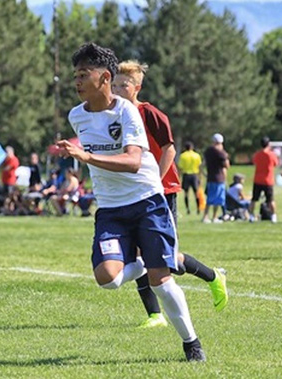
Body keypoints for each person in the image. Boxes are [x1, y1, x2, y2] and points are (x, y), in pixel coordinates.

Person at [57, 42, 206, 361]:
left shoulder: (126, 112)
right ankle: (145, 262)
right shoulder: (76, 116)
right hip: (111, 209)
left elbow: (134, 161)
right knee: (107, 279)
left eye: (84, 74)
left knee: (162, 283)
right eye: (75, 75)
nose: (77, 81)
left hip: (147, 201)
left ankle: (191, 343)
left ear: (105, 77)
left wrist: (86, 156)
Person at [112, 60, 228, 329]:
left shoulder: (150, 113)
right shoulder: (115, 115)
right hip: (133, 193)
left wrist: (155, 180)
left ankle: (213, 277)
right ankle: (155, 315)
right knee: (138, 255)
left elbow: (169, 149)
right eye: (115, 84)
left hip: (162, 191)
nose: (118, 89)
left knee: (166, 258)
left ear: (137, 87)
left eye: (124, 85)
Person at [248, 136, 279, 223]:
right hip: (268, 180)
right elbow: (276, 163)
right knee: (270, 200)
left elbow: (254, 162)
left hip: (257, 179)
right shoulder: (271, 154)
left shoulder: (257, 154)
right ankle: (273, 216)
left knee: (254, 199)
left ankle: (251, 216)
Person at [202, 133, 230, 223]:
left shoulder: (208, 151)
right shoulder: (221, 153)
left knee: (210, 199)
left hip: (210, 177)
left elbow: (202, 165)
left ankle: (206, 216)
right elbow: (227, 165)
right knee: (218, 200)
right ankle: (213, 217)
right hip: (219, 178)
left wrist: (205, 174)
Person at [178, 142, 203, 215]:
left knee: (186, 193)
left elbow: (180, 167)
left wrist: (179, 177)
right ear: (192, 147)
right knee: (196, 193)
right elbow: (199, 167)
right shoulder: (196, 155)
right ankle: (198, 208)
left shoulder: (183, 156)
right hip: (194, 175)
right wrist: (200, 177)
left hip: (186, 175)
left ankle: (188, 209)